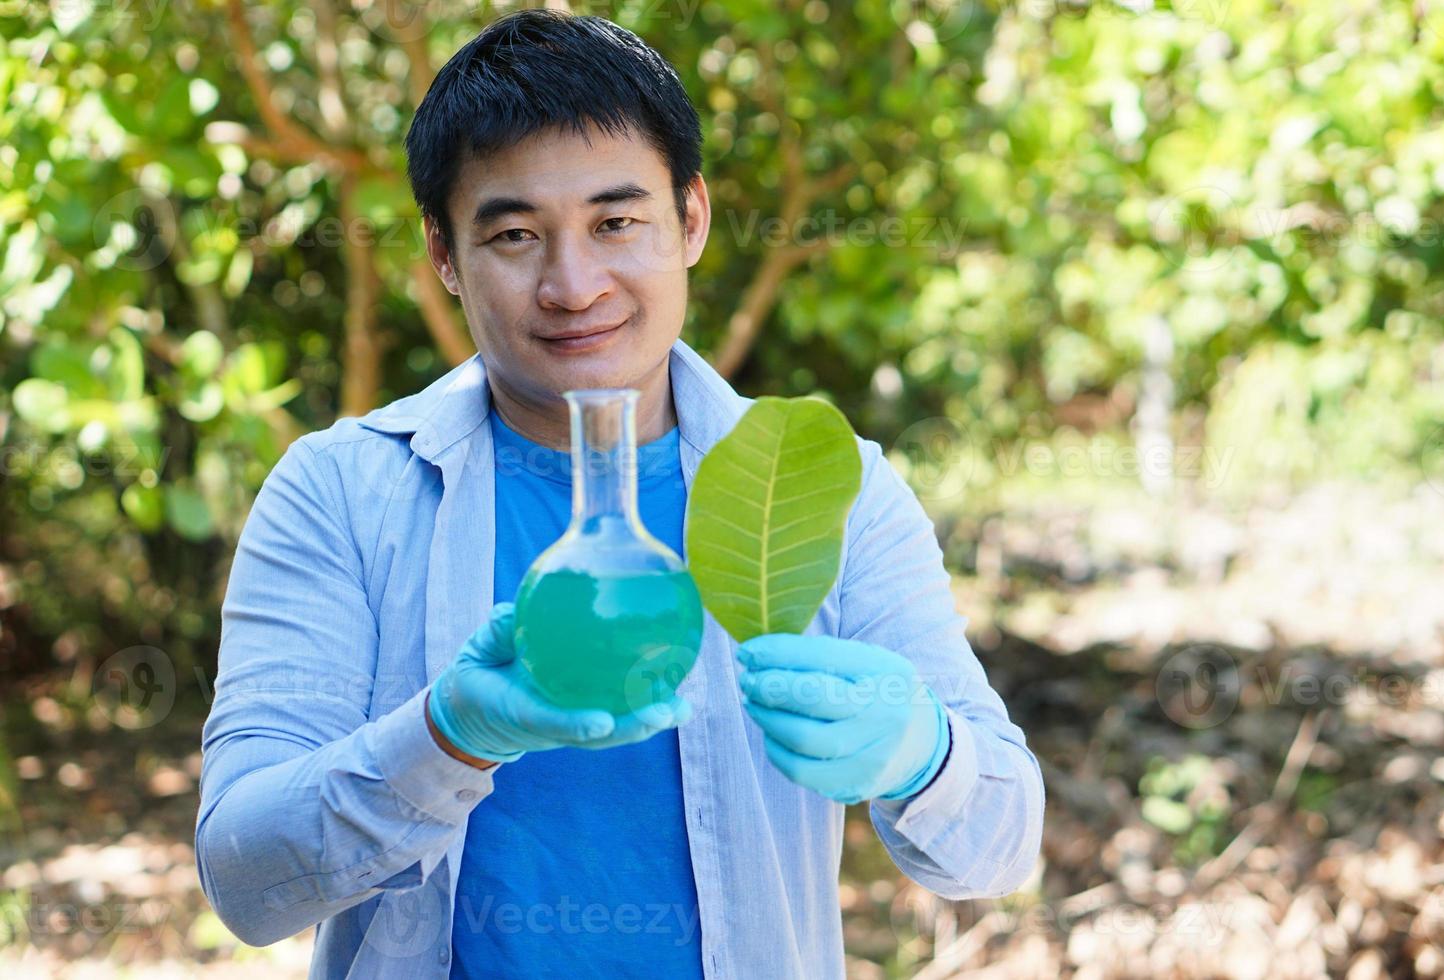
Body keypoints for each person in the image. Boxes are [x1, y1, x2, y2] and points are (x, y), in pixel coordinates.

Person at [195, 9, 1044, 979]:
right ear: (443, 254)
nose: (573, 283)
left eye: (615, 221)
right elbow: (243, 876)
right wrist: (447, 735)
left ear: (690, 218)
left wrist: (924, 754)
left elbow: (1002, 846)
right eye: (514, 233)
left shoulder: (818, 484)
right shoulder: (341, 491)